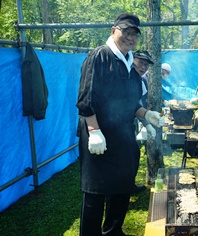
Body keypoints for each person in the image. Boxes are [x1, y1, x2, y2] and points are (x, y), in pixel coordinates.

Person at [76, 13, 164, 236]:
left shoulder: (129, 65)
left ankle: (113, 231)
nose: (130, 37)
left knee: (123, 183)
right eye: (126, 31)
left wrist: (147, 114)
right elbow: (86, 98)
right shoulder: (99, 56)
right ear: (113, 30)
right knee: (95, 190)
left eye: (135, 34)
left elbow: (131, 103)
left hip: (123, 134)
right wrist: (94, 131)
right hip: (99, 135)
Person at [132, 50, 154, 193]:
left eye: (146, 65)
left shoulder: (140, 81)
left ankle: (129, 184)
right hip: (115, 125)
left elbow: (137, 105)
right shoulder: (124, 77)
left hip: (130, 123)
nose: (143, 67)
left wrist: (147, 123)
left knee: (133, 154)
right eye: (140, 62)